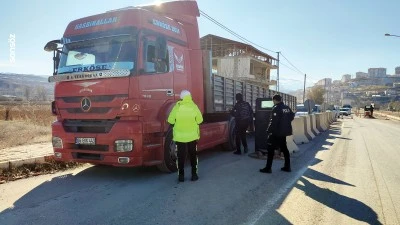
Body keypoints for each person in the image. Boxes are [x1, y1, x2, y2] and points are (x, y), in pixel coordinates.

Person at [168, 90, 203, 182]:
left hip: (180, 137)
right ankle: (194, 175)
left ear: (181, 97)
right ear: (190, 97)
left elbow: (170, 120)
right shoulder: (194, 106)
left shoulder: (177, 107)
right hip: (192, 136)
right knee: (193, 155)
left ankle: (181, 176)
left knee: (181, 156)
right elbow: (200, 120)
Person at [260, 94, 295, 173]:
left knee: (270, 149)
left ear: (275, 100)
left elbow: (274, 122)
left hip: (276, 132)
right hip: (284, 132)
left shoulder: (276, 108)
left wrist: (268, 130)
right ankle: (287, 166)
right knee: (284, 149)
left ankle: (268, 168)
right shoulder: (287, 108)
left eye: (273, 101)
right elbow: (292, 117)